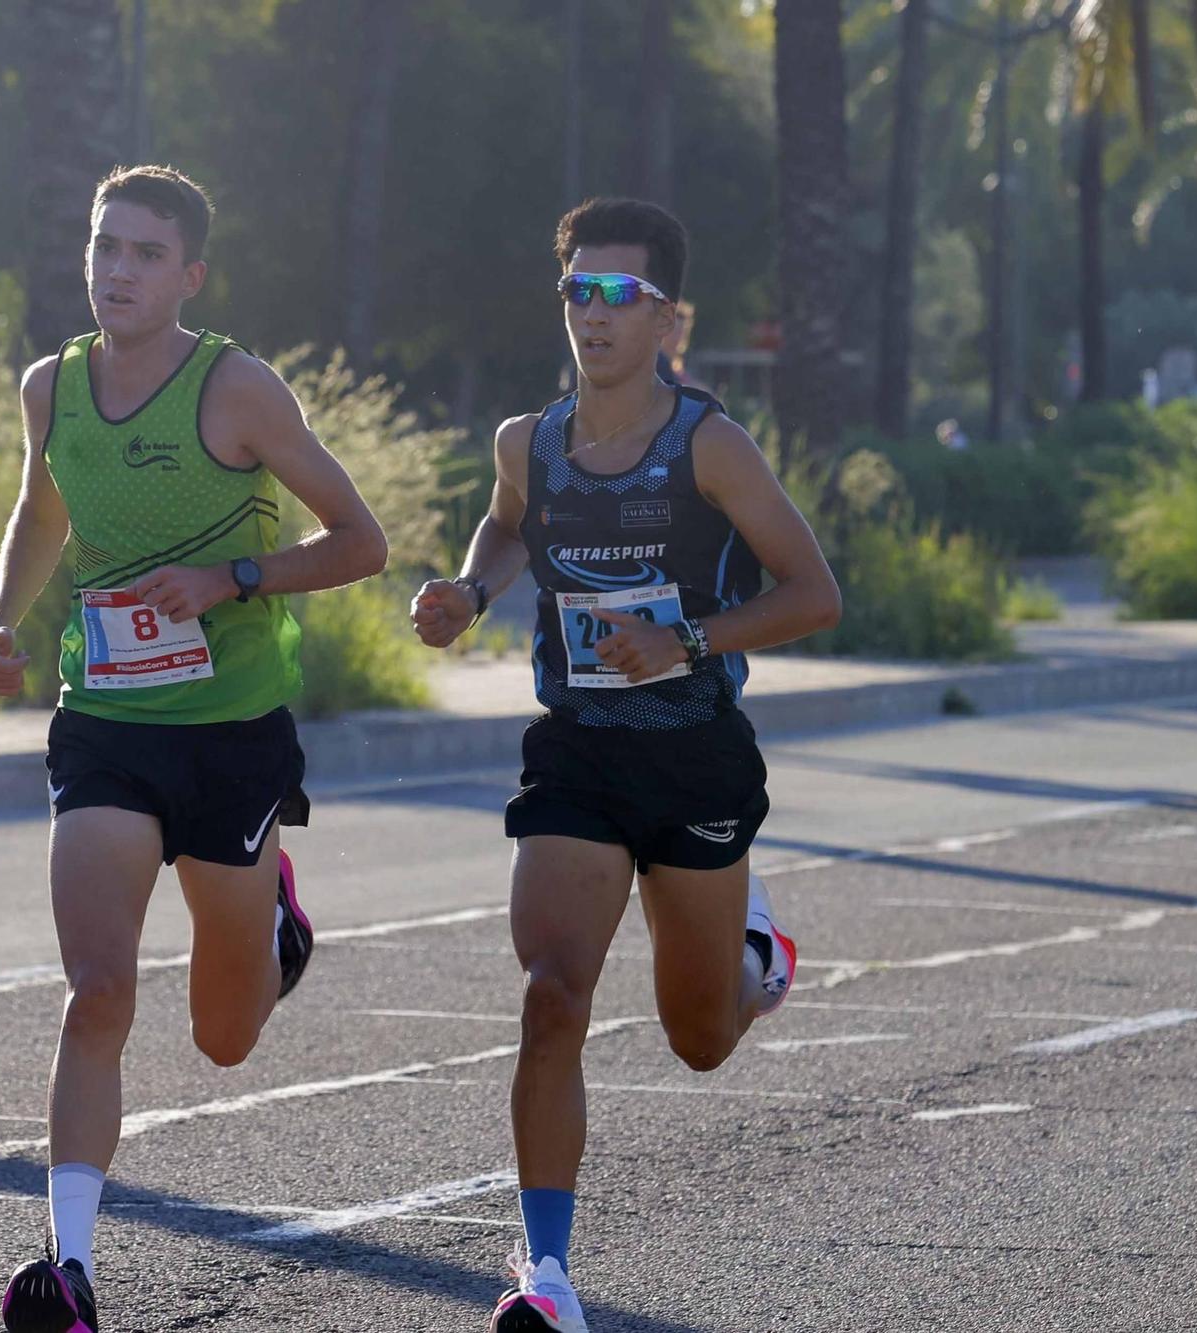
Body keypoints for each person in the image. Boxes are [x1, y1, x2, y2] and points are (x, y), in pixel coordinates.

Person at [409, 197, 841, 1332]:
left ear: (666, 317)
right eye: (573, 292)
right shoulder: (527, 440)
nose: (589, 316)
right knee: (551, 996)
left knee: (698, 1040)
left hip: (695, 760)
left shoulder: (709, 445)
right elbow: (507, 522)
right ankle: (544, 1279)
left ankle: (756, 955)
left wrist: (689, 639)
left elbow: (813, 593)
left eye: (615, 295)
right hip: (577, 754)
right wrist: (470, 591)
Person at [0, 164, 389, 1333]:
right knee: (98, 987)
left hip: (230, 739)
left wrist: (231, 578)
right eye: (106, 247)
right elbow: (39, 509)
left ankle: (270, 920)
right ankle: (68, 1268)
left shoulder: (237, 390)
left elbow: (359, 539)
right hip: (103, 723)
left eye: (146, 254)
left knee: (224, 1034)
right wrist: (3, 620)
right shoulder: (49, 386)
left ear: (189, 275)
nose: (118, 271)